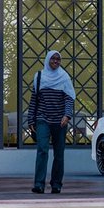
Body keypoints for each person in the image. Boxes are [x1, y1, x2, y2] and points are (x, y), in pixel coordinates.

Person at [27, 50, 77, 195]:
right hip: (43, 119)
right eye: (53, 59)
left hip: (60, 122)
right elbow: (34, 100)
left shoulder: (64, 77)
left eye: (58, 59)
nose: (56, 61)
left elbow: (69, 98)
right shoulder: (39, 77)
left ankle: (56, 184)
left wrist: (67, 115)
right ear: (47, 60)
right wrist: (31, 120)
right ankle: (39, 184)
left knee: (59, 154)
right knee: (42, 150)